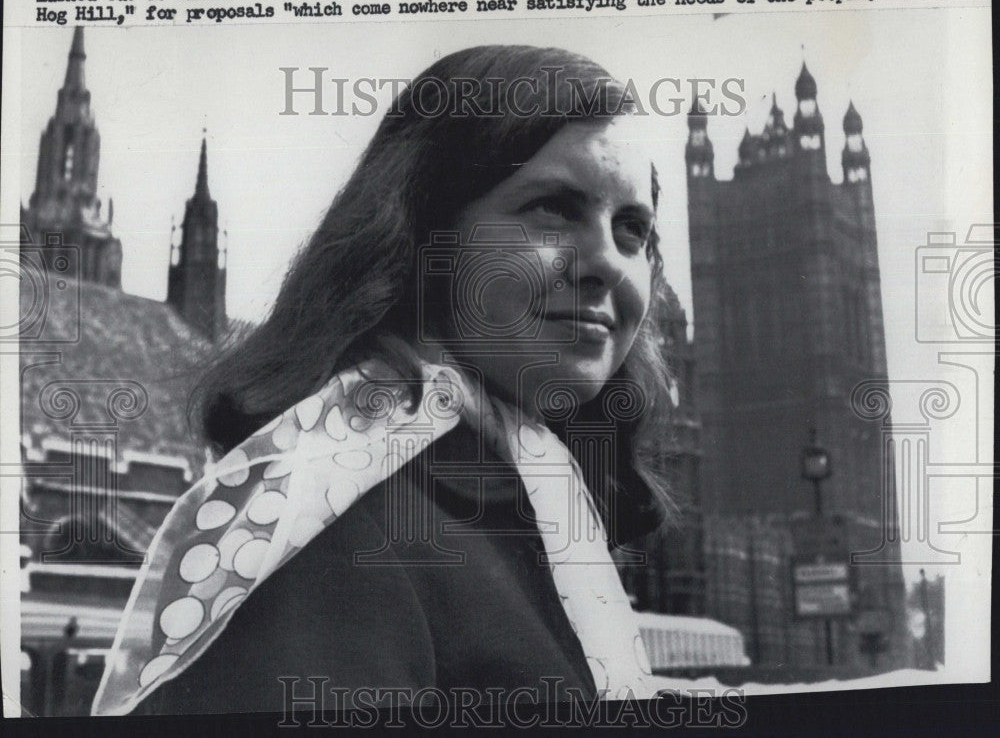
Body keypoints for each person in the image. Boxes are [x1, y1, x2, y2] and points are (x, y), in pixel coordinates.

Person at [91, 45, 676, 717]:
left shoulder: (534, 505)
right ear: (423, 234)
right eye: (552, 208)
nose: (606, 259)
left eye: (633, 229)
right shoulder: (332, 529)